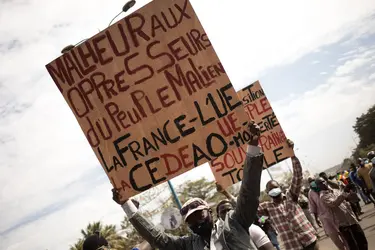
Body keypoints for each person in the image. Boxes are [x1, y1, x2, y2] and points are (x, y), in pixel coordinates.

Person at [113, 122, 263, 250]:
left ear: (210, 212)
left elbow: (249, 192)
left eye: (199, 215)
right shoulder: (188, 245)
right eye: (191, 220)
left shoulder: (235, 222)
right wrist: (126, 204)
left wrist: (253, 146)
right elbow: (157, 238)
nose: (197, 222)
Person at [258, 140, 319, 250]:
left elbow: (298, 175)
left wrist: (292, 154)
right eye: (270, 190)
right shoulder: (267, 208)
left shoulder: (291, 196)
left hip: (309, 240)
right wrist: (264, 222)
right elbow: (249, 208)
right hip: (292, 246)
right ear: (267, 194)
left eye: (275, 188)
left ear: (280, 188)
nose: (274, 191)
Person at [215, 184, 274, 250]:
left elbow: (264, 217)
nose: (227, 214)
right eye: (223, 212)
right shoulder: (219, 236)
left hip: (265, 232)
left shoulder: (257, 210)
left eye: (229, 210)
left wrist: (262, 221)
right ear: (218, 216)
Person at [315, 177, 368, 250]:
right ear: (318, 186)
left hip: (351, 219)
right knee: (353, 245)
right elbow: (334, 203)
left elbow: (345, 199)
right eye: (320, 183)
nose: (323, 183)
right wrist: (344, 192)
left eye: (324, 181)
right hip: (343, 224)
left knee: (362, 240)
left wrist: (350, 191)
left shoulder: (334, 191)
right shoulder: (323, 196)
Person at [309, 181, 348, 250]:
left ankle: (348, 247)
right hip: (324, 217)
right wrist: (316, 219)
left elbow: (334, 196)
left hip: (335, 213)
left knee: (343, 233)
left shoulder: (324, 186)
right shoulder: (311, 193)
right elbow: (313, 206)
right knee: (333, 236)